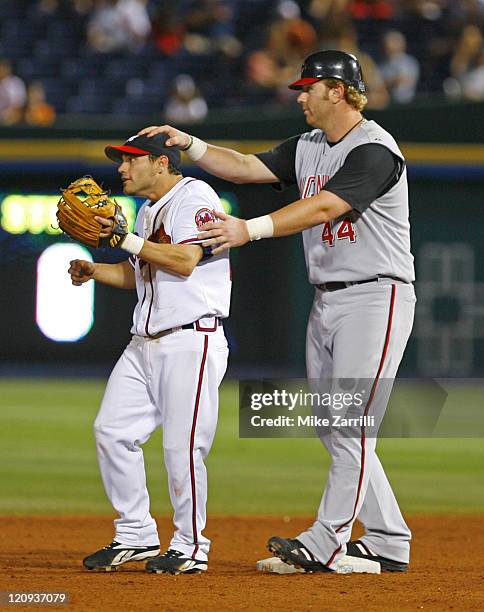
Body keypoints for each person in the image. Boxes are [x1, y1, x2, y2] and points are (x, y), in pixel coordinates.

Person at [139, 49, 416, 574]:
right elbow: (246, 168)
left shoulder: (375, 149)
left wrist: (251, 229)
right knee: (335, 428)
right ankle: (388, 539)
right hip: (328, 296)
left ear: (337, 91)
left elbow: (326, 206)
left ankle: (326, 540)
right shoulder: (311, 145)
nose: (300, 95)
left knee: (351, 424)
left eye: (308, 87)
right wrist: (191, 144)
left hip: (376, 295)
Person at [70, 133, 231, 574]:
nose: (121, 169)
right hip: (145, 341)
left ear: (161, 163)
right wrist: (96, 270)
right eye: (121, 161)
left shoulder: (195, 195)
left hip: (191, 339)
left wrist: (125, 240)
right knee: (112, 431)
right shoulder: (146, 211)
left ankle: (191, 546)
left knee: (182, 447)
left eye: (130, 161)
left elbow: (184, 261)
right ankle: (136, 534)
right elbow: (141, 273)